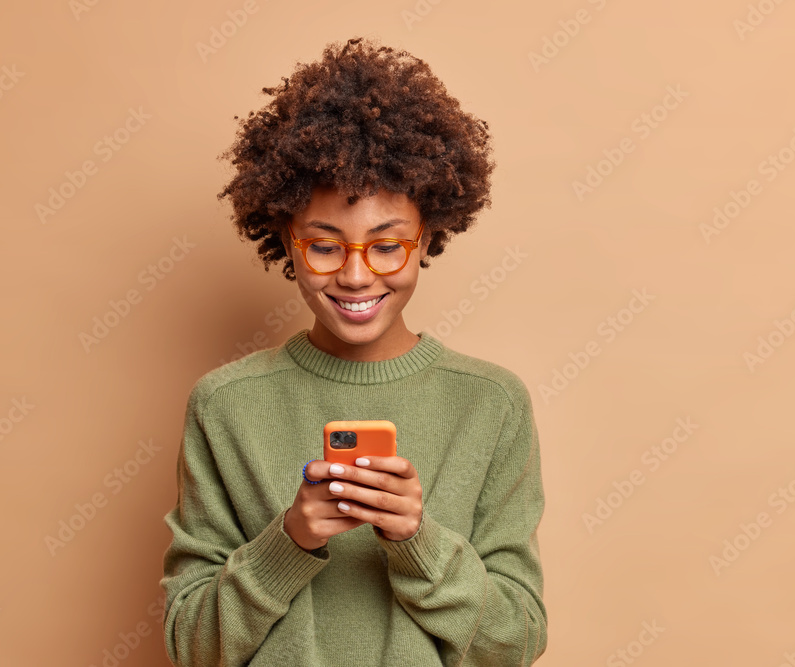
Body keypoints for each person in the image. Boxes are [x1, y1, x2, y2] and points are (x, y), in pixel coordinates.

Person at [159, 36, 547, 666]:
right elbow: (193, 646)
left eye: (387, 246)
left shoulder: (492, 404)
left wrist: (417, 540)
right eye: (324, 245)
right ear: (287, 242)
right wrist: (289, 541)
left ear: (428, 239)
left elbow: (516, 643)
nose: (357, 276)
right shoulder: (224, 405)